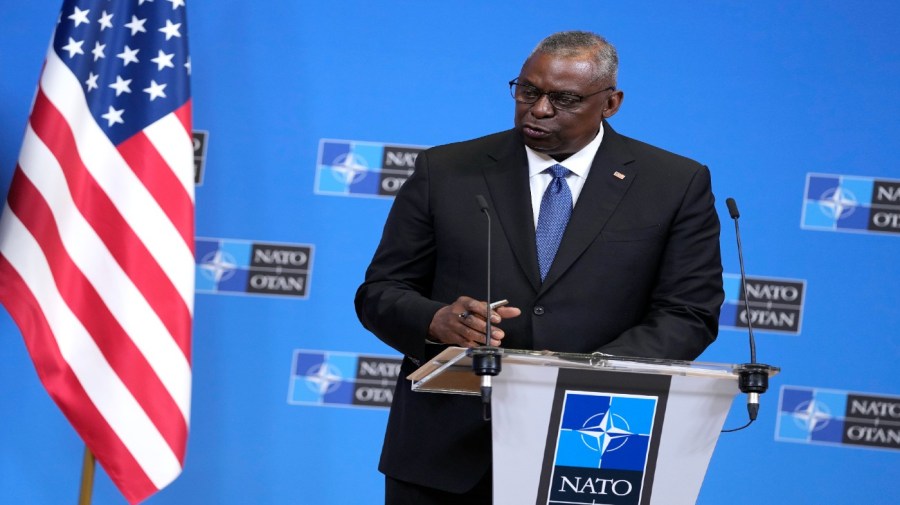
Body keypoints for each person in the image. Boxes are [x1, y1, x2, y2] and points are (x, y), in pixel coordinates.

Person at [355, 30, 724, 505]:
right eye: (528, 91)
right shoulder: (446, 170)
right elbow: (381, 291)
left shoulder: (673, 183)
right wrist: (435, 320)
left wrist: (584, 375)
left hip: (594, 447)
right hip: (446, 455)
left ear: (610, 103)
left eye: (564, 98)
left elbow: (688, 312)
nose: (539, 109)